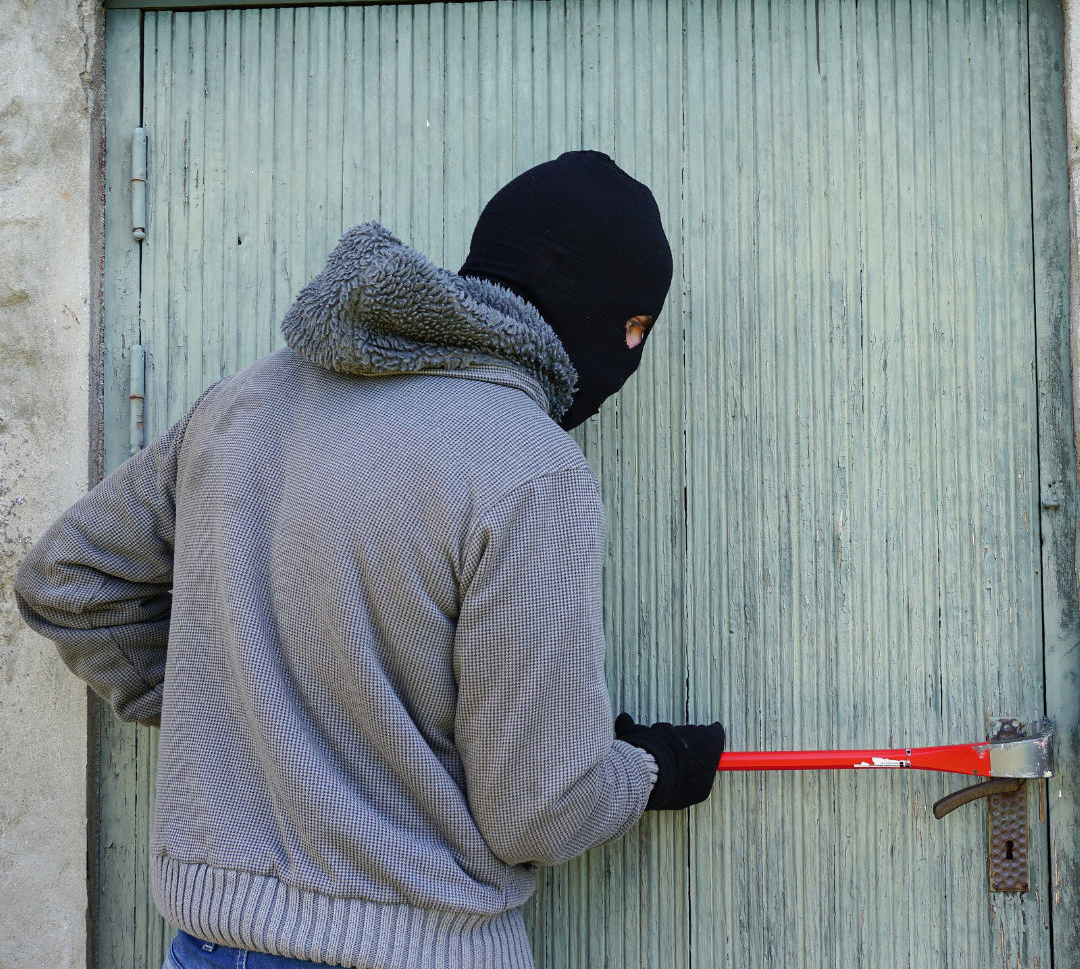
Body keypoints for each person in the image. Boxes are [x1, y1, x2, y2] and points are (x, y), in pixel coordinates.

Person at [15, 151, 725, 969]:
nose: (628, 356)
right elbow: (540, 811)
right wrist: (653, 769)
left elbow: (69, 580)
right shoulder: (531, 468)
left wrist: (243, 707)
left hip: (208, 946)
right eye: (632, 326)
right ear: (573, 293)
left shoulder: (247, 400)